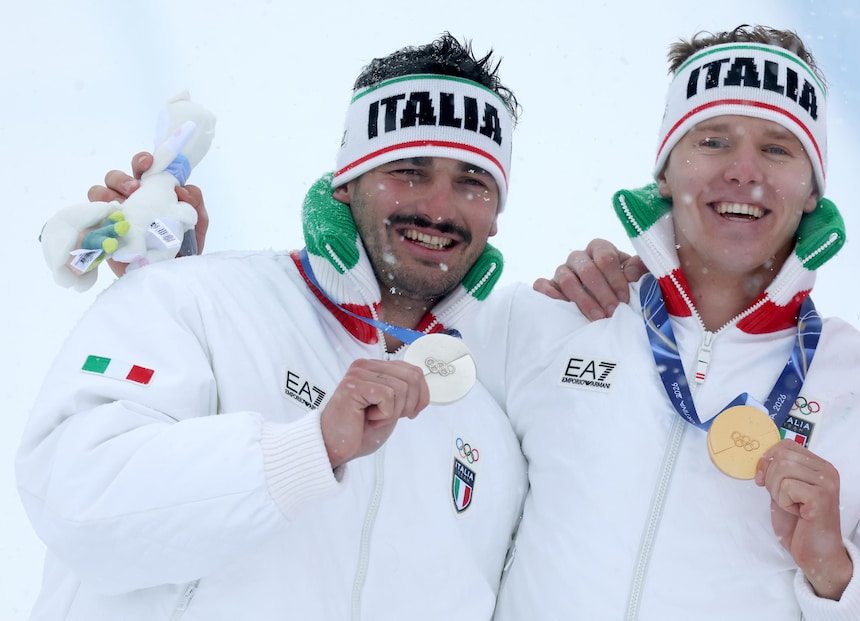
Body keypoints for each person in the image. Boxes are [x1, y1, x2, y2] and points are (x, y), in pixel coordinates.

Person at [17, 33, 534, 620]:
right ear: (346, 181)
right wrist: (309, 448)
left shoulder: (492, 438)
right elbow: (80, 503)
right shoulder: (195, 300)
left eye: (472, 181)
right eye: (410, 171)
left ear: (495, 215)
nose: (439, 207)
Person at [470, 25, 860, 620]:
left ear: (811, 192)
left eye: (777, 148)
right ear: (666, 174)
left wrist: (840, 578)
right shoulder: (554, 321)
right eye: (714, 141)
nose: (743, 172)